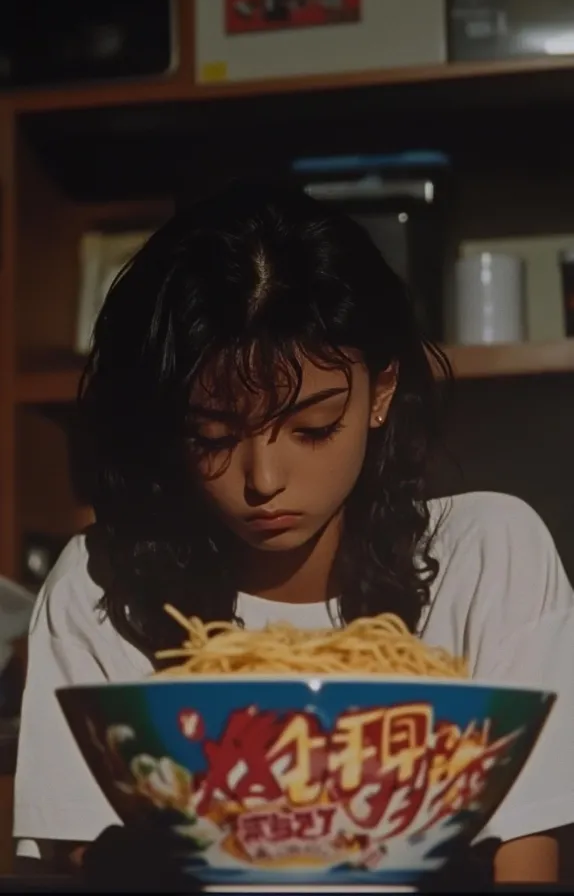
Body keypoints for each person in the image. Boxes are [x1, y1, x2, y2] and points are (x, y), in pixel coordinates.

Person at [13, 180, 574, 883]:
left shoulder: (489, 555)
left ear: (383, 393)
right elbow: (91, 861)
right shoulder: (101, 589)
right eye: (212, 436)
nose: (263, 479)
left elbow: (525, 861)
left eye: (312, 429)